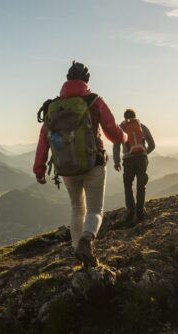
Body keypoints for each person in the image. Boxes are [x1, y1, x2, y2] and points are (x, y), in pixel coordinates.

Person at [34, 61, 128, 267]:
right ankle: (87, 239)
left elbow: (44, 140)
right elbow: (113, 132)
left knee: (77, 208)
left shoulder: (53, 107)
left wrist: (39, 169)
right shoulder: (94, 101)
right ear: (86, 81)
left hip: (66, 168)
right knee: (95, 210)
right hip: (93, 164)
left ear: (67, 80)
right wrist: (125, 137)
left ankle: (77, 252)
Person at [113, 109, 155, 223]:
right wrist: (144, 153)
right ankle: (140, 212)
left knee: (128, 184)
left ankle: (131, 209)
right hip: (142, 159)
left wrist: (116, 161)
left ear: (124, 117)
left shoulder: (121, 128)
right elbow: (152, 144)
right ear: (135, 116)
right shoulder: (142, 127)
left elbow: (116, 146)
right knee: (141, 185)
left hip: (128, 160)